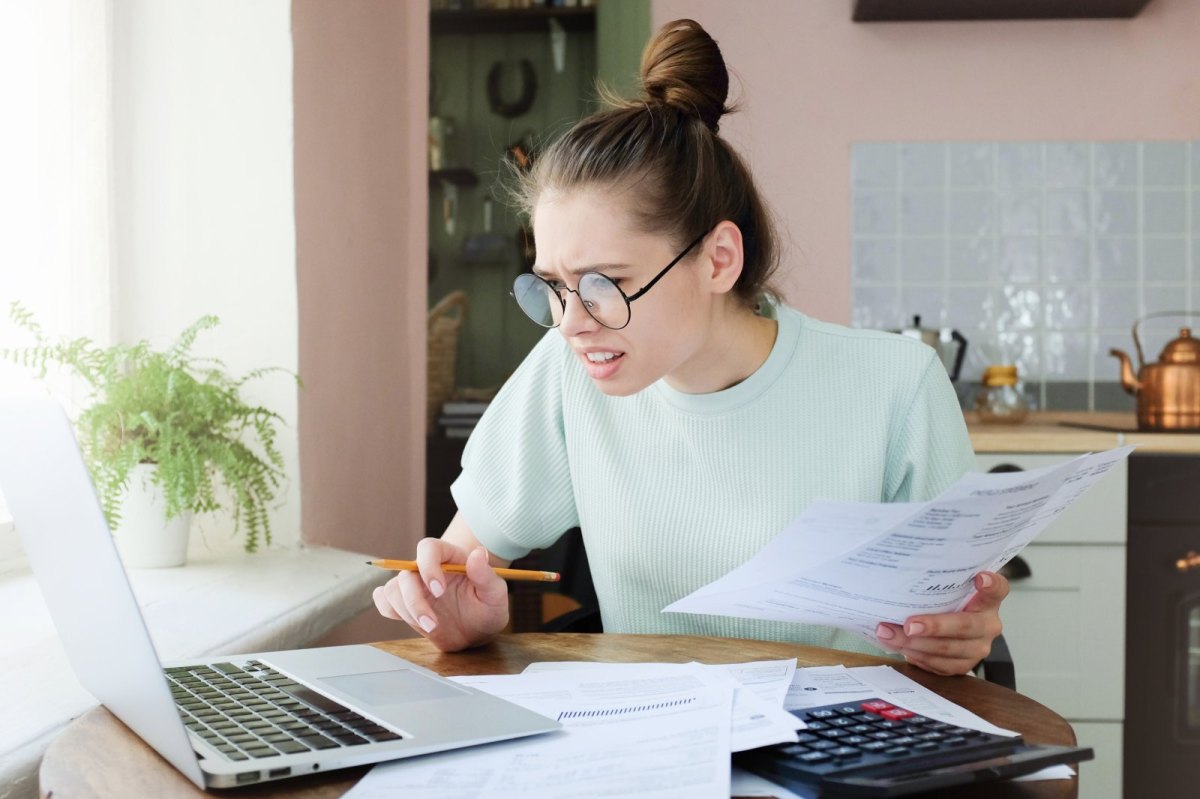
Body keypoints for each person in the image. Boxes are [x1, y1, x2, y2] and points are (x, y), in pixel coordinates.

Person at [375, 19, 1009, 677]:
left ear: (718, 259)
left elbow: (958, 622)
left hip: (844, 747)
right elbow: (457, 567)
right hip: (659, 743)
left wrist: (961, 636)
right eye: (554, 288)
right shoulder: (570, 370)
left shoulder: (895, 385)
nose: (570, 323)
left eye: (603, 283)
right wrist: (456, 618)